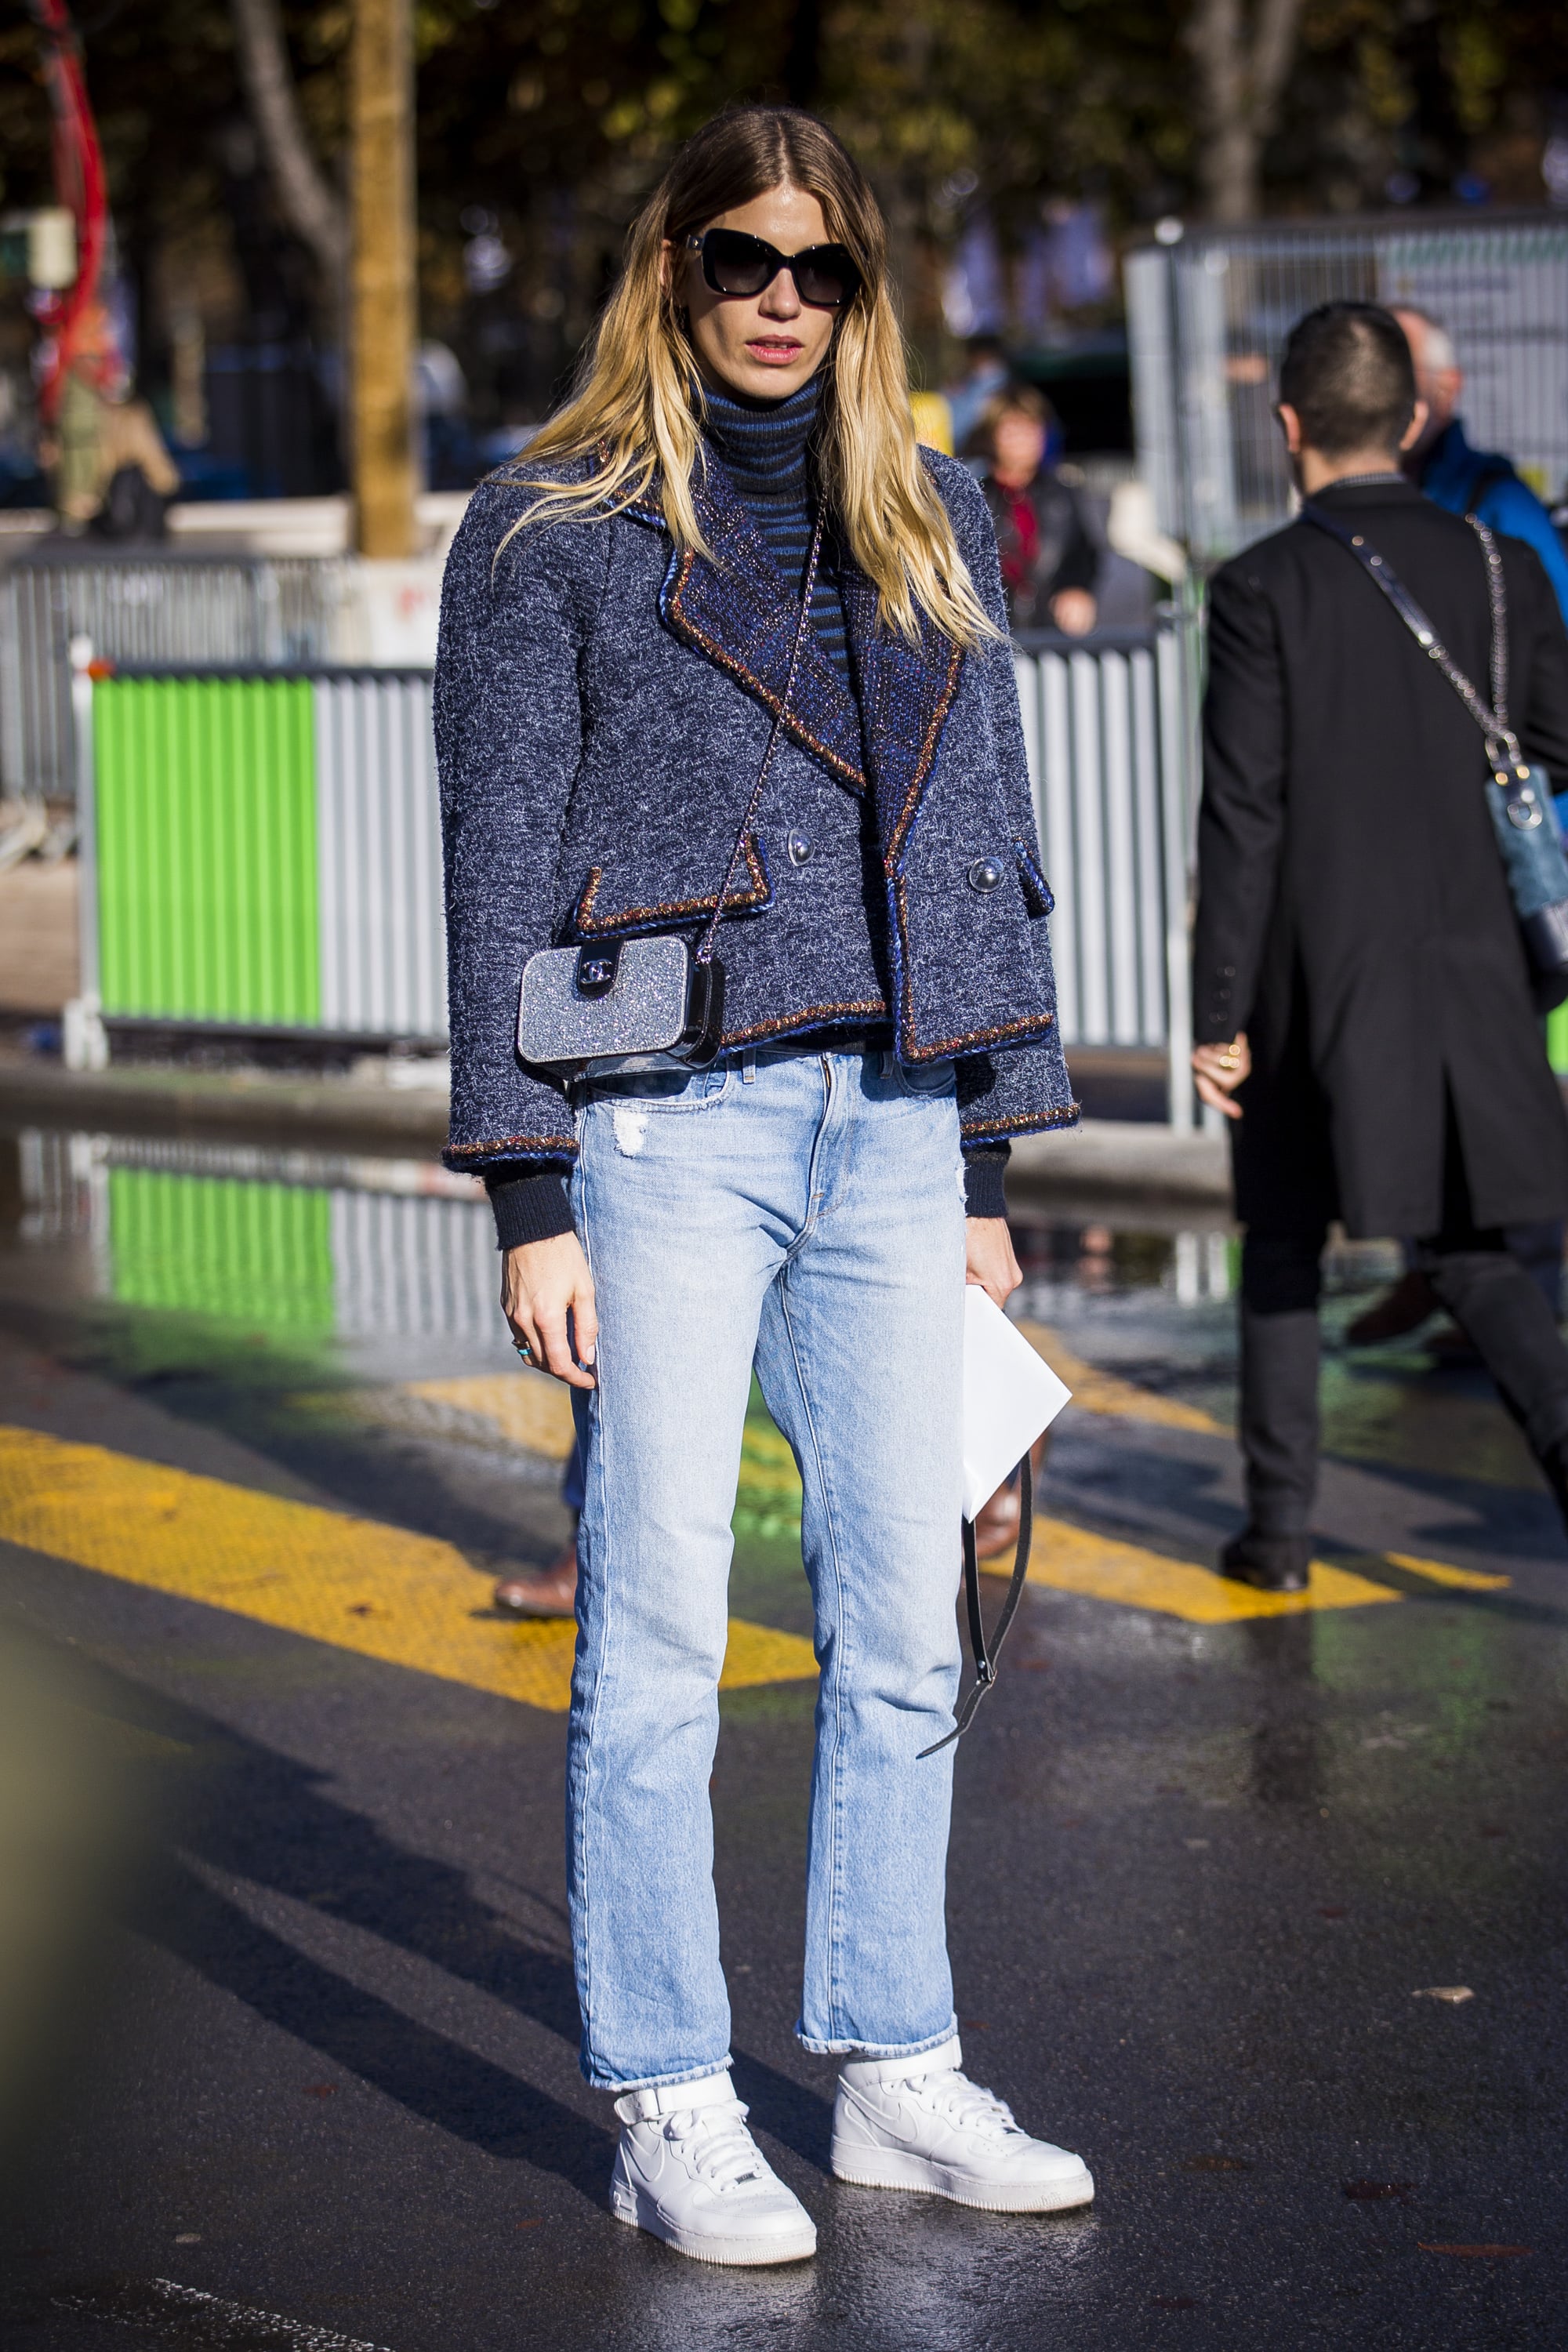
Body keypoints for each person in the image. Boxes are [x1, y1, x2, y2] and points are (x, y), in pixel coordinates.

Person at [436, 104, 1093, 2266]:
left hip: (899, 1120)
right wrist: (528, 1188)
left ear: (869, 289)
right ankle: (670, 2094)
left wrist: (990, 1141)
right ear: (673, 269)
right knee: (657, 1631)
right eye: (742, 258)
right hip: (666, 1127)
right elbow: (501, 858)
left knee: (910, 1627)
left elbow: (980, 835)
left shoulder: (935, 517)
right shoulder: (553, 524)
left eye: (822, 267)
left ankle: (893, 2065)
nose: (782, 300)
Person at [1190, 299, 1568, 1594]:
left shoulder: (1258, 590)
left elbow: (1242, 814)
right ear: (1413, 420)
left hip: (1311, 978)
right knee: (1469, 1251)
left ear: (1287, 424)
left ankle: (1280, 1534)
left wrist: (1218, 1009)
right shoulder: (1504, 570)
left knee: (1285, 1239)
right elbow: (1553, 748)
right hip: (1474, 972)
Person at [1346, 303, 1568, 1353]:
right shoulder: (1417, 496)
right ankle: (1447, 1275)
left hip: (1506, 860)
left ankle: (1505, 1284)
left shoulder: (1495, 508)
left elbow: (1543, 697)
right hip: (1427, 856)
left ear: (1442, 394)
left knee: (1501, 1078)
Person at [971, 385, 1098, 636]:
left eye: (1031, 429)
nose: (1024, 441)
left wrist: (1076, 588)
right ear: (992, 437)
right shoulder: (974, 498)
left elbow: (1084, 552)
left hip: (1051, 632)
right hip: (991, 636)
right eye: (1013, 431)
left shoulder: (1063, 494)